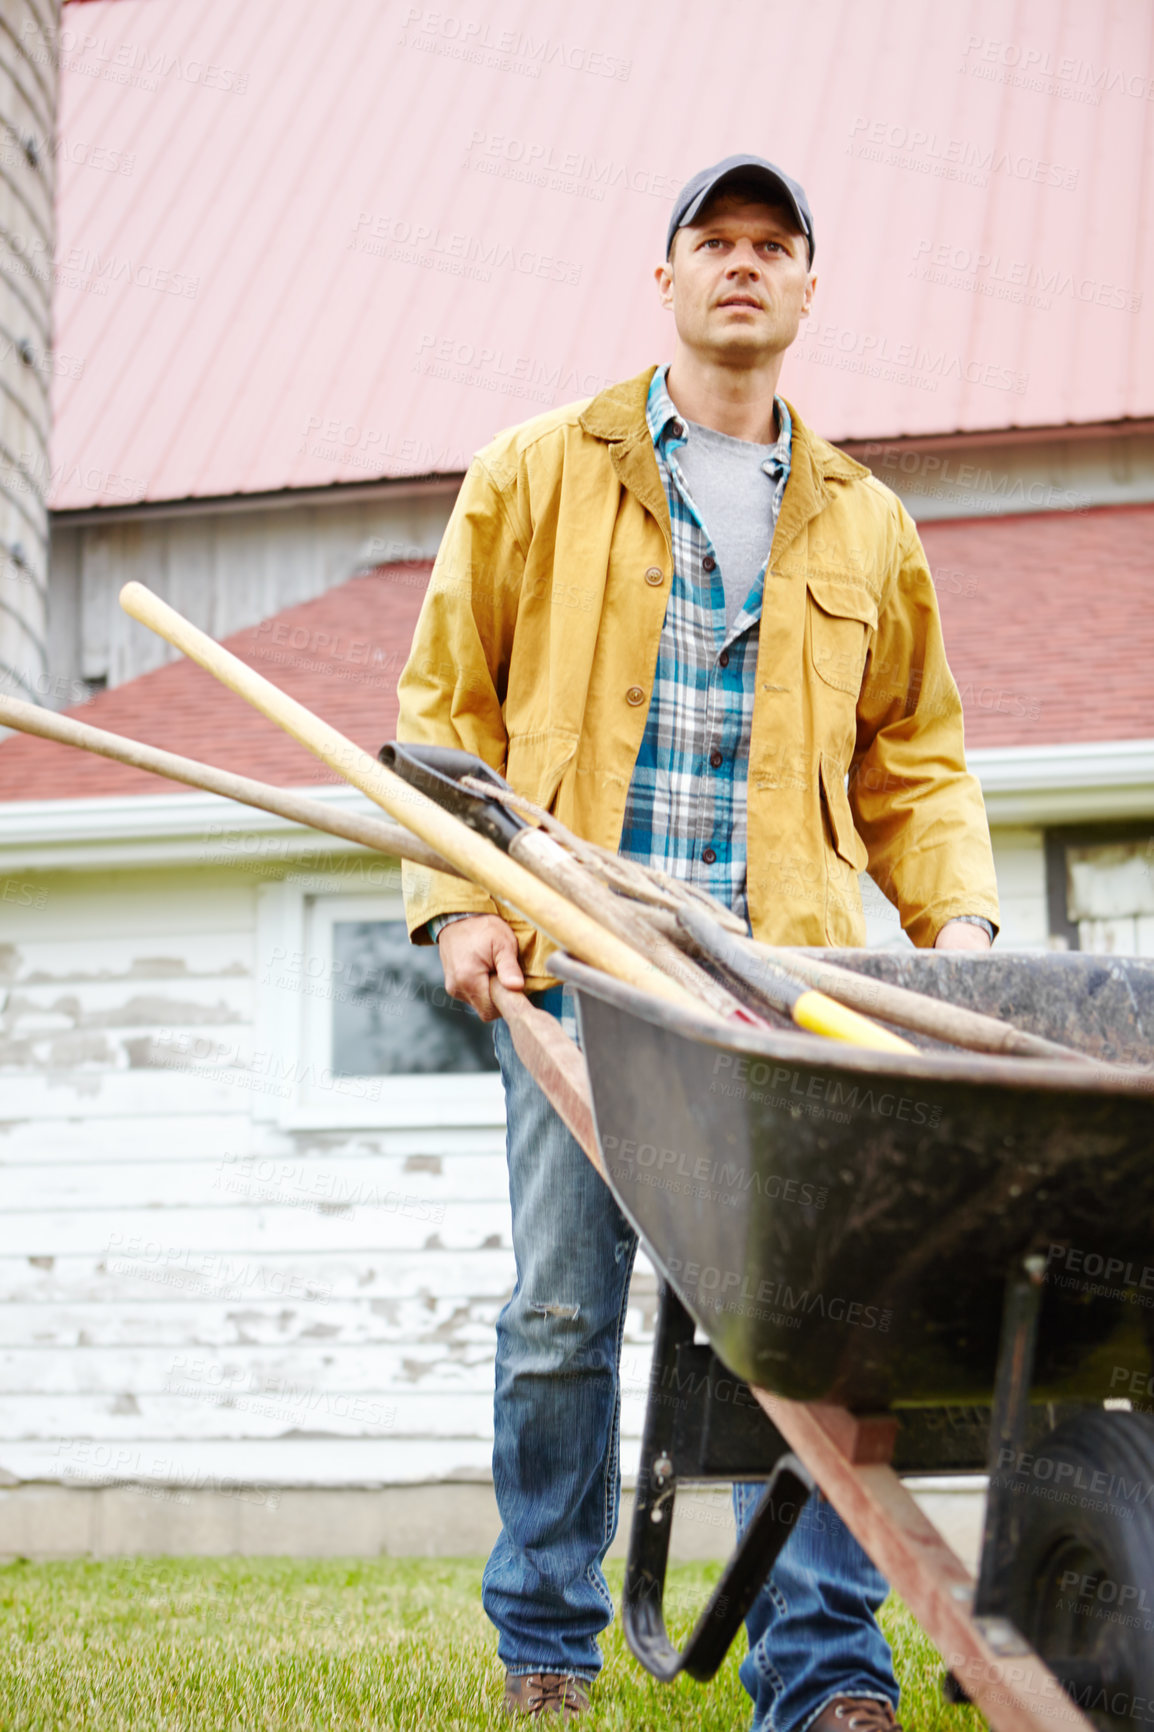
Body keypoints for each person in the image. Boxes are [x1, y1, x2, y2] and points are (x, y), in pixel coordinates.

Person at [396, 153, 1000, 1730]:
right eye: (710, 243)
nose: (741, 265)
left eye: (771, 245)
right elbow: (443, 710)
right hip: (575, 961)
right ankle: (543, 1644)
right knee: (558, 1321)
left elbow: (913, 757)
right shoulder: (538, 469)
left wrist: (960, 926)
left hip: (772, 991)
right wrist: (461, 901)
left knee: (802, 1332)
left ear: (807, 290)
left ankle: (823, 1673)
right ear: (657, 280)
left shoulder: (864, 521)